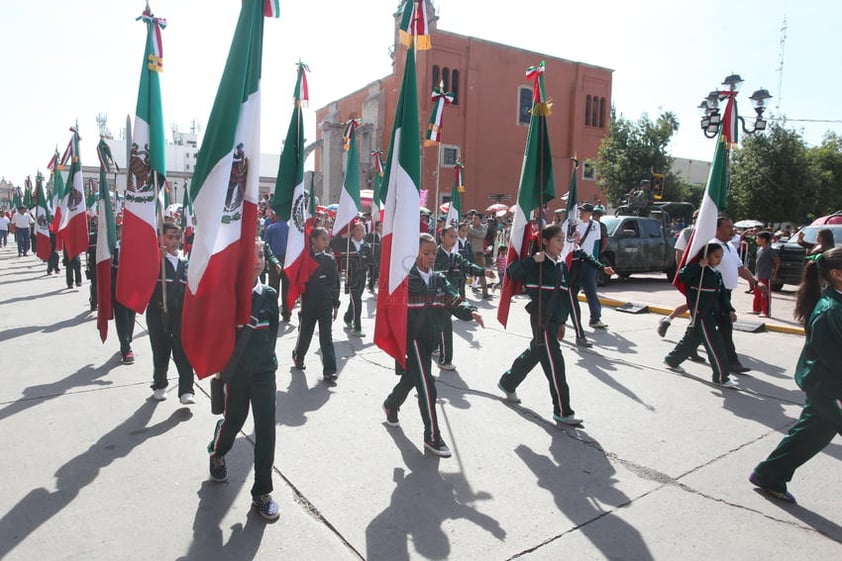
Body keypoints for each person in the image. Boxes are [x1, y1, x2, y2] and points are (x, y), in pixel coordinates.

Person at [749, 247, 842, 504]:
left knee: (812, 433)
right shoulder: (830, 310)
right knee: (812, 432)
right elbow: (834, 357)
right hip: (830, 386)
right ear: (837, 274)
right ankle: (768, 474)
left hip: (829, 386)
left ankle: (769, 474)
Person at [382, 233, 485, 457]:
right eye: (426, 253)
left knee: (414, 376)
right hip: (412, 339)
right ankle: (432, 436)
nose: (430, 257)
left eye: (433, 253)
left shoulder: (438, 279)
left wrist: (471, 311)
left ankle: (391, 404)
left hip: (430, 338)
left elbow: (454, 298)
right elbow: (390, 306)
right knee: (427, 385)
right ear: (415, 253)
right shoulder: (405, 279)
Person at [497, 224, 610, 427]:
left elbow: (567, 298)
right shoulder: (537, 263)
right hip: (541, 320)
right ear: (546, 241)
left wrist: (563, 323)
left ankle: (508, 382)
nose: (561, 244)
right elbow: (512, 272)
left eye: (562, 239)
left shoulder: (560, 265)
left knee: (536, 353)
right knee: (555, 364)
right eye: (557, 239)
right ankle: (563, 411)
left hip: (554, 320)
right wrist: (533, 260)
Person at [208, 238, 281, 521]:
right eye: (252, 256)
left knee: (266, 431)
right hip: (236, 373)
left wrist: (264, 361)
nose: (258, 260)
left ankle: (262, 492)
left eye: (261, 254)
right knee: (234, 421)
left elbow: (271, 332)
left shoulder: (270, 294)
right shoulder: (229, 295)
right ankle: (217, 451)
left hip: (264, 373)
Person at [663, 243, 737, 387]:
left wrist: (730, 309)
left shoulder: (716, 273)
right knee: (715, 344)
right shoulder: (699, 271)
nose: (719, 260)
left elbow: (722, 295)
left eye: (720, 257)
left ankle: (672, 360)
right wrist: (698, 266)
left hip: (712, 312)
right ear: (706, 256)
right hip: (702, 313)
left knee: (692, 339)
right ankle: (722, 377)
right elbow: (682, 276)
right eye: (716, 256)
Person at [146, 223, 195, 403]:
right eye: (169, 237)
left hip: (180, 315)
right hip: (158, 313)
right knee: (160, 350)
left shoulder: (185, 262)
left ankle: (186, 389)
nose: (174, 241)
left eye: (177, 238)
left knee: (183, 351)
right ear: (161, 238)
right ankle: (159, 384)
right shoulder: (155, 260)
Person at [434, 225, 493, 371]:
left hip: (454, 296)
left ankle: (436, 348)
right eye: (450, 236)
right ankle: (444, 360)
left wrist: (483, 272)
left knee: (442, 326)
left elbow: (468, 266)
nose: (454, 240)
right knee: (444, 326)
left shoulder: (456, 256)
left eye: (455, 237)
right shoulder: (434, 255)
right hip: (439, 297)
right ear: (442, 237)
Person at [292, 227, 341, 383]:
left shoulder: (330, 259)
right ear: (313, 239)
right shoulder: (305, 258)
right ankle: (298, 356)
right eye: (323, 239)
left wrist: (335, 304)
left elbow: (335, 283)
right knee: (306, 332)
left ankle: (330, 370)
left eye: (327, 240)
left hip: (325, 303)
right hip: (309, 303)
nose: (327, 242)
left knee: (326, 337)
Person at [711, 217, 759, 374]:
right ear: (717, 229)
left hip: (726, 293)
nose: (732, 230)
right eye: (728, 227)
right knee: (725, 327)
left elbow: (740, 267)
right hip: (715, 293)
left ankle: (677, 356)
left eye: (732, 227)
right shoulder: (712, 246)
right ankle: (732, 361)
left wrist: (754, 280)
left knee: (703, 327)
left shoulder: (729, 245)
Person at [331, 221, 371, 337]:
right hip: (351, 276)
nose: (359, 232)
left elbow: (372, 262)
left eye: (362, 230)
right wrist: (343, 236)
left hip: (362, 277)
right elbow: (331, 244)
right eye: (357, 230)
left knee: (354, 300)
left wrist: (374, 275)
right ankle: (357, 327)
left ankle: (348, 317)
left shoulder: (366, 246)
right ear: (352, 231)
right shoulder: (346, 243)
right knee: (357, 301)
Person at [576, 203, 607, 329]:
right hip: (576, 260)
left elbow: (596, 244)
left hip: (589, 261)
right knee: (570, 291)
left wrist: (596, 262)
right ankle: (561, 316)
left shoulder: (596, 225)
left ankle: (595, 319)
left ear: (590, 213)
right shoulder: (574, 224)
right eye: (580, 211)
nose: (581, 213)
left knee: (591, 291)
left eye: (583, 211)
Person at [263, 211, 290, 321]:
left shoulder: (270, 228)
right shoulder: (290, 229)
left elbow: (266, 244)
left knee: (274, 287)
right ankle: (287, 313)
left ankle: (272, 311)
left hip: (274, 259)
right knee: (286, 288)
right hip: (288, 259)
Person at [750, 231, 780, 318]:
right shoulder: (759, 249)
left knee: (765, 294)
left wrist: (774, 272)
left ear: (763, 239)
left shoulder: (770, 250)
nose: (756, 240)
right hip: (758, 275)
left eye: (758, 238)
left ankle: (766, 312)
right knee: (757, 293)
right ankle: (757, 309)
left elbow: (777, 261)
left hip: (766, 276)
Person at [467, 211, 490, 298]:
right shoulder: (469, 227)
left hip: (479, 253)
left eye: (476, 218)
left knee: (481, 273)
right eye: (473, 218)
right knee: (465, 273)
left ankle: (485, 292)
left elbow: (481, 235)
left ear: (480, 220)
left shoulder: (483, 227)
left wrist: (469, 230)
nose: (473, 220)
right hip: (469, 253)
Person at [365, 221, 382, 294]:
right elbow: (366, 241)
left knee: (378, 271)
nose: (382, 227)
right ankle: (371, 285)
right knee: (373, 270)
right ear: (377, 227)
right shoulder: (372, 235)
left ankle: (374, 283)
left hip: (380, 255)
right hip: (374, 255)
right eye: (381, 226)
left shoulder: (383, 234)